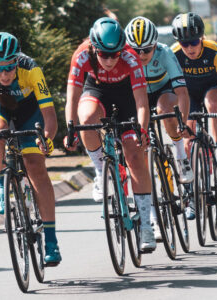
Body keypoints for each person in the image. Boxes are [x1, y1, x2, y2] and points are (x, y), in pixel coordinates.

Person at [64, 17, 155, 251]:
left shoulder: (129, 57)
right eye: (104, 54)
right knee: (86, 120)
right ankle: (100, 169)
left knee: (135, 156)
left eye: (114, 54)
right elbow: (72, 97)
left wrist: (141, 131)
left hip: (127, 97)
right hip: (97, 90)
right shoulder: (82, 54)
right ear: (94, 48)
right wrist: (70, 128)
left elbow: (142, 103)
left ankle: (146, 224)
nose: (110, 60)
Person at [0, 32, 61, 264]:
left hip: (28, 111)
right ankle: (1, 184)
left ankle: (51, 241)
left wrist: (47, 138)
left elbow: (49, 115)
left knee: (35, 167)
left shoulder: (31, 69)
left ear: (17, 61)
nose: (4, 74)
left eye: (9, 68)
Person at [124, 16, 193, 233]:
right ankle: (152, 215)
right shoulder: (125, 58)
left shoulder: (165, 53)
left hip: (163, 92)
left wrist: (182, 121)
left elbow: (182, 92)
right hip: (138, 97)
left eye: (147, 49)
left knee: (166, 108)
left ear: (155, 44)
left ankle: (181, 156)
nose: (142, 55)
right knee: (138, 150)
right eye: (137, 51)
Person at [171, 12, 217, 218]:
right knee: (187, 134)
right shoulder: (174, 55)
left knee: (214, 106)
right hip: (188, 93)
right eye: (184, 43)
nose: (189, 48)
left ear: (202, 38)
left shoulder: (214, 51)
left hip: (212, 88)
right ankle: (191, 195)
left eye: (193, 42)